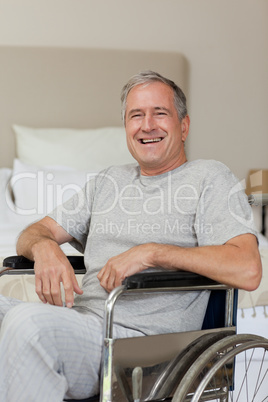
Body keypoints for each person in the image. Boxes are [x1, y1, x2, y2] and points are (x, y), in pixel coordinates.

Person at [0, 71, 262, 401]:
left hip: (139, 346)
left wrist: (151, 252)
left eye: (160, 113)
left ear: (184, 126)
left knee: (29, 324)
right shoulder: (107, 181)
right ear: (126, 127)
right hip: (79, 325)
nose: (147, 124)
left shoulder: (209, 178)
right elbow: (35, 232)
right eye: (136, 115)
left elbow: (248, 269)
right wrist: (44, 248)